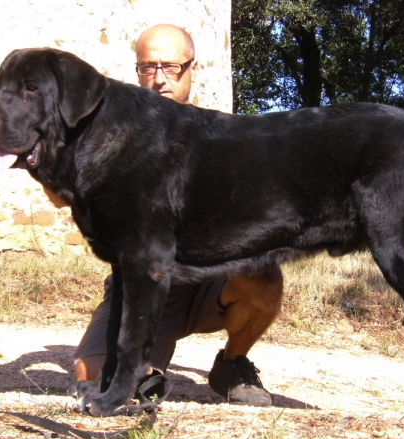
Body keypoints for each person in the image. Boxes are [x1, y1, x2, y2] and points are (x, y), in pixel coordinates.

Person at [71, 24, 283, 407]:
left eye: (170, 67)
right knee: (92, 376)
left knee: (263, 274)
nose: (158, 80)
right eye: (147, 68)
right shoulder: (112, 137)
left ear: (192, 69)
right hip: (143, 289)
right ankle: (142, 370)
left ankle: (232, 363)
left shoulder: (227, 137)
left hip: (209, 283)